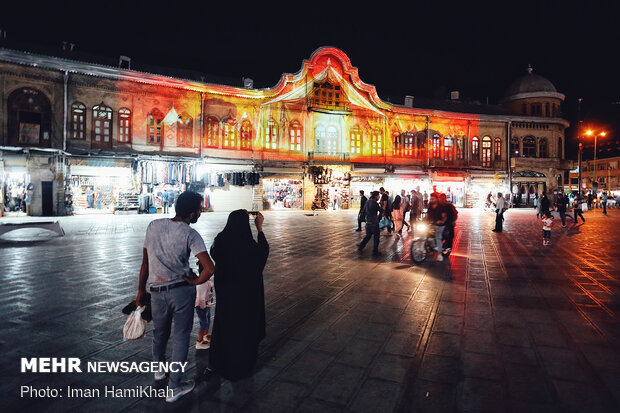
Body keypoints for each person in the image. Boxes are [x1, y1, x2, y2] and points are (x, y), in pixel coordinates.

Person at [136, 191, 215, 403]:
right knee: (180, 336)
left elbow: (145, 262)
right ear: (190, 213)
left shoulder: (154, 226)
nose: (201, 212)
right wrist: (196, 281)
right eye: (199, 209)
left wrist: (140, 290)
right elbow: (209, 268)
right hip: (181, 292)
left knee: (159, 333)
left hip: (156, 292)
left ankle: (159, 372)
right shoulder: (190, 234)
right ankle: (174, 387)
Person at [208, 210, 269, 381]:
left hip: (227, 297)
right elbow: (264, 251)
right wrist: (260, 229)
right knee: (245, 331)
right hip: (247, 298)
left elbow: (214, 252)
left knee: (224, 328)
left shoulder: (220, 242)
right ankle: (242, 366)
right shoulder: (251, 247)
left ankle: (220, 362)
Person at [358, 191, 384, 256]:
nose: (379, 197)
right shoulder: (375, 203)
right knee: (376, 237)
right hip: (374, 222)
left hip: (368, 222)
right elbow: (381, 210)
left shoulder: (367, 202)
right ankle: (375, 251)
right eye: (378, 196)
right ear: (376, 196)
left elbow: (363, 211)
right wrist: (381, 205)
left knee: (368, 235)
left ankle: (361, 246)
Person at [426, 193, 448, 261]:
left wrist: (441, 221)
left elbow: (444, 216)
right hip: (432, 224)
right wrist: (423, 220)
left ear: (436, 199)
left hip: (439, 225)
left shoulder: (441, 206)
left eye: (433, 199)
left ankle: (439, 254)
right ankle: (429, 248)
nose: (431, 200)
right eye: (430, 199)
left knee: (438, 237)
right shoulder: (430, 207)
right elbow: (427, 215)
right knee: (425, 233)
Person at [195, 276, 213, 350]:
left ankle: (205, 337)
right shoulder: (202, 283)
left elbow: (209, 292)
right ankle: (199, 342)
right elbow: (200, 297)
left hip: (206, 304)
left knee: (207, 321)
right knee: (203, 323)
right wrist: (203, 307)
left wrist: (210, 299)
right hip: (201, 306)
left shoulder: (208, 282)